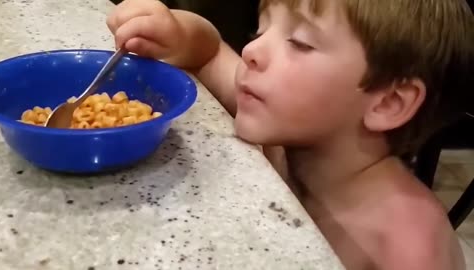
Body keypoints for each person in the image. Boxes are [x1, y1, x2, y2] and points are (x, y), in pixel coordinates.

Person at [106, 0, 474, 269]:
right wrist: (176, 32)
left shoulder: (410, 245)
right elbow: (209, 53)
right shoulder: (286, 130)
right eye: (261, 30)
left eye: (299, 42)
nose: (251, 50)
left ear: (388, 103)